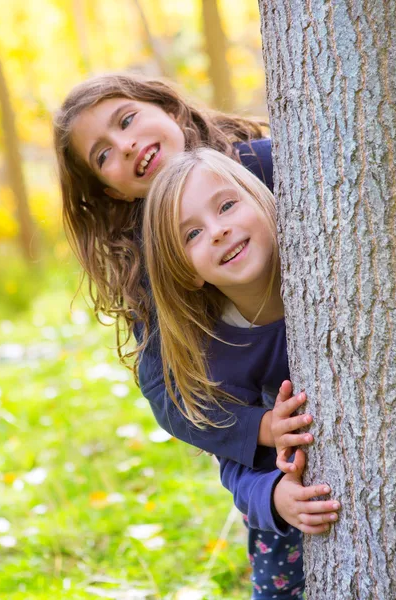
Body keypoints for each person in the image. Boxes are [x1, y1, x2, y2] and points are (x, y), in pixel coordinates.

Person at [53, 73, 333, 598]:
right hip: (272, 432)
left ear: (169, 109)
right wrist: (258, 430)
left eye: (127, 119)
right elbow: (172, 393)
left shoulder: (270, 164)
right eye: (104, 154)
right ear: (111, 191)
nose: (127, 144)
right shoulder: (151, 271)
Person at [144, 148, 341, 598]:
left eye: (228, 205)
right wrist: (273, 496)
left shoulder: (331, 270)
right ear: (186, 272)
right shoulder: (214, 352)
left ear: (265, 201)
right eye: (192, 234)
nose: (218, 231)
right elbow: (233, 464)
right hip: (289, 511)